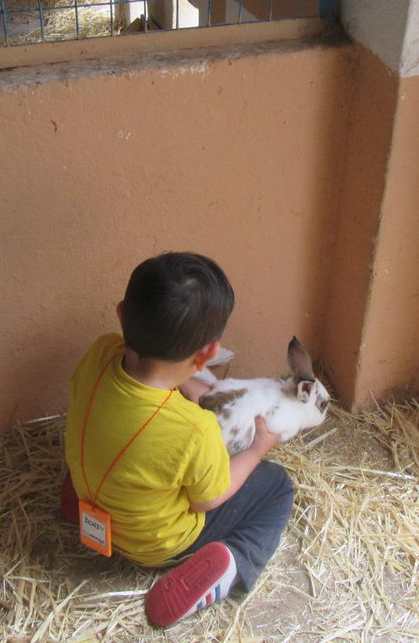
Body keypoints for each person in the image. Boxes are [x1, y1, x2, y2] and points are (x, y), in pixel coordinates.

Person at [62, 252, 294, 628]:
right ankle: (233, 565)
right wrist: (256, 450)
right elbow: (208, 501)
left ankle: (79, 503)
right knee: (276, 486)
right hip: (157, 546)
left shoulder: (101, 350)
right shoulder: (193, 429)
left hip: (95, 496)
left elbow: (147, 374)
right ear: (208, 353)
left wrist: (194, 385)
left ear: (122, 314)